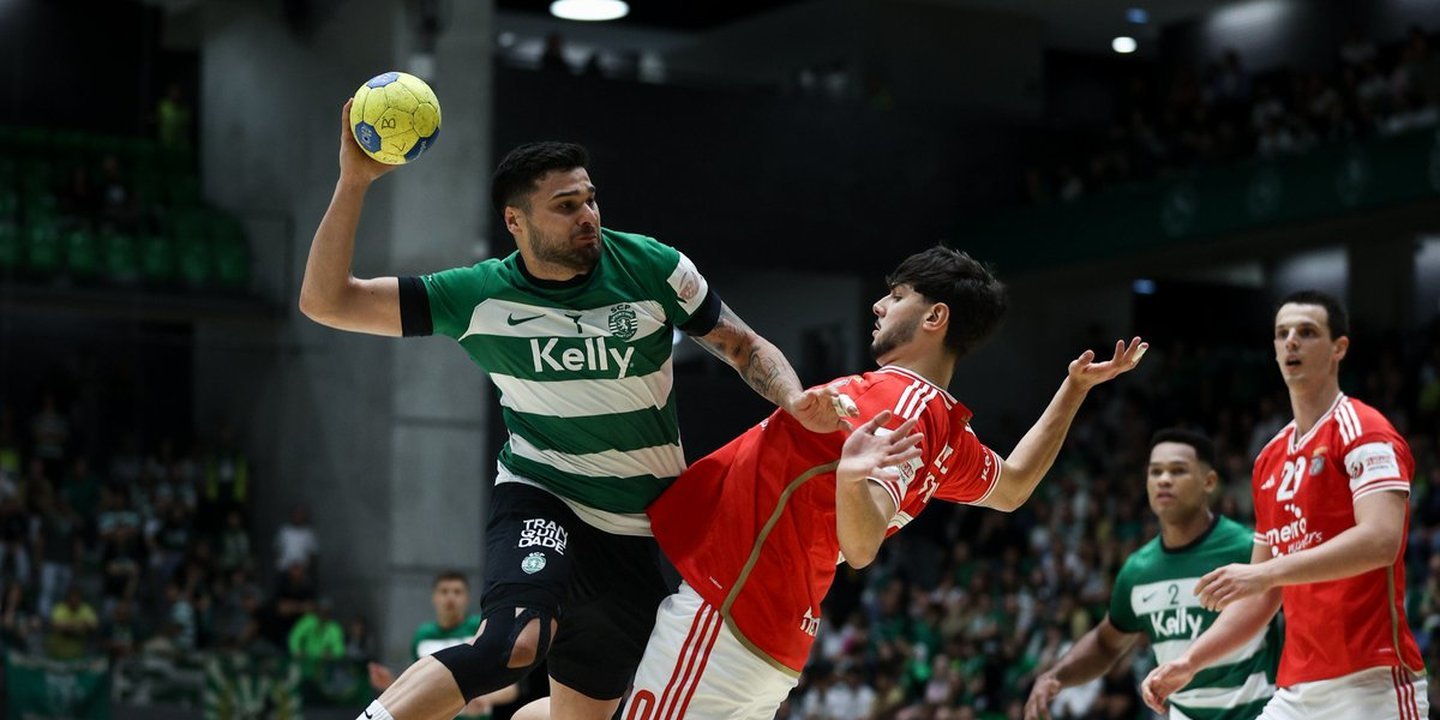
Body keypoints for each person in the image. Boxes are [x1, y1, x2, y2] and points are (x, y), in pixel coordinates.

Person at [301, 102, 846, 720]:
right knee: (511, 645)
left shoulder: (652, 267)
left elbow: (743, 345)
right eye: (565, 206)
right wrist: (353, 180)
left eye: (590, 199)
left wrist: (794, 398)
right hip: (543, 491)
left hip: (637, 527)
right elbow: (326, 301)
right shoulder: (477, 295)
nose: (587, 216)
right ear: (515, 220)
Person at [515, 247, 1144, 720]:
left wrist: (851, 479)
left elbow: (863, 542)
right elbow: (1012, 486)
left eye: (896, 296)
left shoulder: (896, 402)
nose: (878, 305)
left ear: (936, 317)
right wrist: (1073, 390)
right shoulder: (947, 428)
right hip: (768, 641)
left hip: (728, 611)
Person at [1142, 290, 1428, 720]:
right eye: (1282, 334)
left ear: (1339, 348)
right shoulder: (1269, 459)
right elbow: (1261, 597)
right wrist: (1190, 661)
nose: (1291, 341)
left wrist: (1264, 573)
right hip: (1295, 690)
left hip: (1373, 684)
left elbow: (1381, 540)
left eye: (1307, 332)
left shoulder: (1365, 431)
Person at [1023, 428, 1281, 720]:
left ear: (1209, 482)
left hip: (1262, 712)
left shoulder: (1250, 550)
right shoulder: (1138, 570)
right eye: (1155, 472)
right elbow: (1106, 643)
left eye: (1178, 470)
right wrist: (1056, 676)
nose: (1164, 480)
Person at [370, 572, 519, 720]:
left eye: (457, 592)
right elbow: (419, 688)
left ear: (467, 598)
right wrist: (389, 684)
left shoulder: (481, 628)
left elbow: (511, 688)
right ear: (434, 597)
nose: (450, 597)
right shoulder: (423, 635)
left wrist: (484, 699)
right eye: (444, 591)